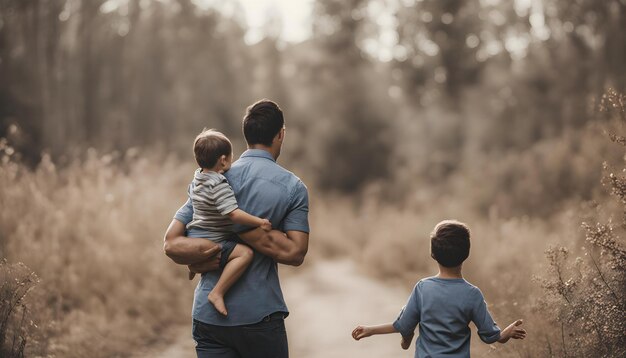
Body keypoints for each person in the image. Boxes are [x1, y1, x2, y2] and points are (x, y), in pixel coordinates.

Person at [163, 99, 310, 358]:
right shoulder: (292, 187)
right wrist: (247, 229)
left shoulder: (211, 175)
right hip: (260, 317)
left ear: (246, 134)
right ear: (281, 135)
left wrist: (211, 248)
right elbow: (295, 253)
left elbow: (171, 243)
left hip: (209, 319)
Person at [352, 220, 527, 357]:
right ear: (466, 253)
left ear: (433, 254)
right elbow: (491, 336)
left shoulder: (423, 288)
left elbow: (404, 326)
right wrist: (507, 332)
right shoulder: (472, 294)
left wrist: (372, 330)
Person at [185, 128, 273, 316]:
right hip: (213, 238)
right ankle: (218, 292)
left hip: (194, 233)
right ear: (223, 160)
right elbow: (233, 213)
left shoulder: (196, 179)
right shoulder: (218, 184)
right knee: (245, 254)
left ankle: (195, 265)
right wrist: (259, 222)